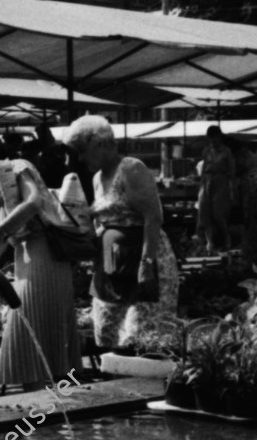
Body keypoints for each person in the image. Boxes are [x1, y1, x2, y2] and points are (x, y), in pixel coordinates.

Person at [63, 113, 179, 350]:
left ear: (100, 143)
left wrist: (146, 263)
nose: (81, 158)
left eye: (82, 150)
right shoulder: (97, 178)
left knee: (140, 339)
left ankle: (139, 385)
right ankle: (105, 384)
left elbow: (153, 216)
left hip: (141, 262)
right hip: (112, 266)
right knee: (107, 334)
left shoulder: (131, 168)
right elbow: (104, 221)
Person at [0, 158, 82, 388]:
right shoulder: (5, 198)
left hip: (45, 259)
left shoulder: (18, 167)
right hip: (30, 264)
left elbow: (34, 201)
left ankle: (43, 410)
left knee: (31, 332)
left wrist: (4, 228)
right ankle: (42, 411)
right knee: (34, 340)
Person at [196, 125, 236, 253]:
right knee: (204, 212)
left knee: (218, 213)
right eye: (211, 138)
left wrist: (231, 189)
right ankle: (210, 243)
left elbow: (231, 171)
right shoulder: (207, 151)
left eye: (216, 138)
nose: (214, 141)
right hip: (207, 182)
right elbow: (204, 168)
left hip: (221, 182)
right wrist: (201, 184)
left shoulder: (226, 151)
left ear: (220, 137)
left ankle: (226, 239)